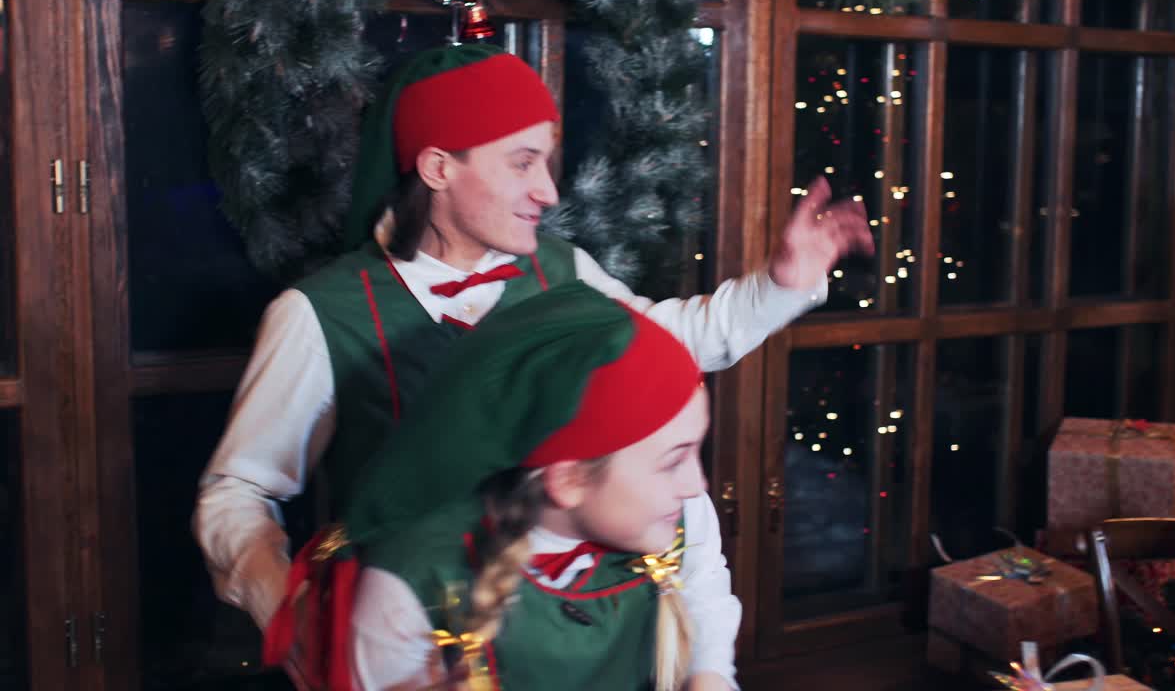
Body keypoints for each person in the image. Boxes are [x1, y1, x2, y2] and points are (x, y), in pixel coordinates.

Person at [194, 43, 873, 638]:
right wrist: (293, 611)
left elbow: (676, 347)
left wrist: (785, 282)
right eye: (522, 163)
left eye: (546, 162)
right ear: (437, 168)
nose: (547, 191)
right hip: (423, 641)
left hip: (574, 626)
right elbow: (237, 492)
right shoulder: (319, 314)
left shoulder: (563, 271)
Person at [266, 282, 741, 690]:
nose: (697, 483)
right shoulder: (412, 585)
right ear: (569, 478)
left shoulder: (675, 511)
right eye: (673, 460)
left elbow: (705, 596)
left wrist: (709, 674)